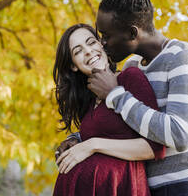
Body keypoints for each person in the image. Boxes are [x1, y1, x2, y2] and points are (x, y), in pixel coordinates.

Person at [57, 0, 188, 196]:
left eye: (106, 36)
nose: (102, 43)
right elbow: (124, 127)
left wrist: (115, 95)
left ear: (133, 33)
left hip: (187, 186)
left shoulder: (183, 57)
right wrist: (78, 139)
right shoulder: (133, 66)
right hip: (148, 186)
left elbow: (180, 135)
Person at [52, 23, 165, 196]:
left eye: (91, 42)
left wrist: (92, 145)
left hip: (121, 187)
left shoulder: (130, 78)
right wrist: (76, 141)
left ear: (101, 44)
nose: (88, 51)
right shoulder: (89, 100)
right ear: (73, 65)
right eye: (78, 51)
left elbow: (154, 148)